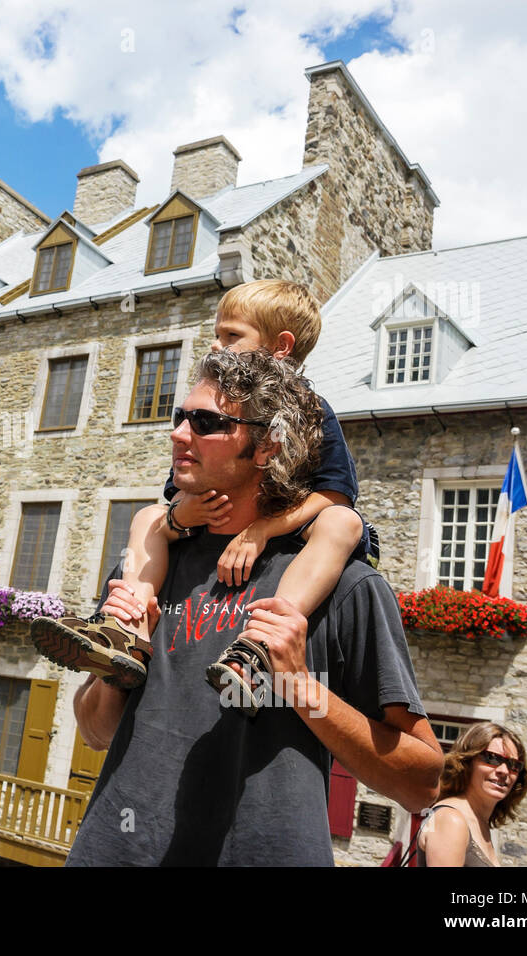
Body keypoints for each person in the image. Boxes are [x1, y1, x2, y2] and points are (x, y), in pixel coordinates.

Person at [66, 349, 442, 866]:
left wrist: (301, 686)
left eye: (206, 422)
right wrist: (120, 670)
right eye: (181, 417)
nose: (179, 433)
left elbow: (424, 783)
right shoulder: (146, 567)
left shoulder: (346, 587)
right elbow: (94, 732)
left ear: (267, 446)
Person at [33, 280, 369, 701]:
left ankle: (259, 647)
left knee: (342, 523)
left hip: (288, 522)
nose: (215, 345)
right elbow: (177, 492)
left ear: (281, 346)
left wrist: (262, 530)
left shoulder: (312, 409)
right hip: (209, 518)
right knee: (147, 518)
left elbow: (336, 493)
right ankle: (126, 631)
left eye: (231, 336)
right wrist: (178, 516)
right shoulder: (209, 400)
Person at [416, 722, 527, 867]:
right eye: (492, 758)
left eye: (514, 765)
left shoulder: (478, 821)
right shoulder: (450, 819)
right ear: (467, 762)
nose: (504, 770)